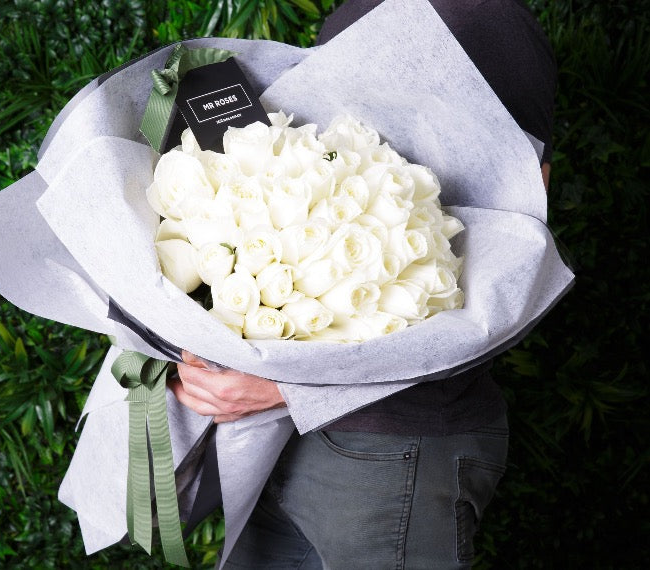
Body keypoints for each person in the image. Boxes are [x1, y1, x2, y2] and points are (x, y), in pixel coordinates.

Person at [170, 1, 556, 567]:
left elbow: (511, 265)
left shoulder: (485, 21)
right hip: (281, 437)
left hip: (392, 447)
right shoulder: (355, 10)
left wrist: (295, 388)